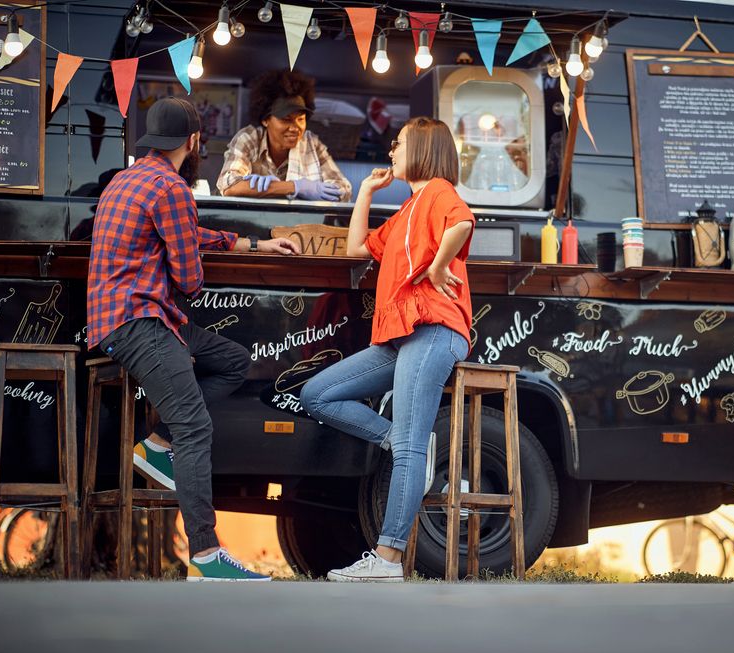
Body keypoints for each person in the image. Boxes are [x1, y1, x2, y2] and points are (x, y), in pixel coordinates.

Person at [87, 97, 300, 582]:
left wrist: (250, 243)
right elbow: (188, 280)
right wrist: (196, 258)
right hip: (138, 321)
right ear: (193, 141)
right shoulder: (172, 187)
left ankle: (156, 445)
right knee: (197, 427)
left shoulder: (128, 178)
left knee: (232, 358)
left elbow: (185, 233)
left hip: (122, 318)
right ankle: (206, 556)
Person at [299, 117, 475, 582]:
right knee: (318, 394)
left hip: (434, 329)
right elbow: (357, 248)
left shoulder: (438, 190)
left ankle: (388, 559)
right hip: (402, 336)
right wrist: (365, 194)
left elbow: (462, 221)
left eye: (397, 145)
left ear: (420, 147)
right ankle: (401, 441)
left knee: (410, 450)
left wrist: (438, 266)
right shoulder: (406, 209)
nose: (391, 152)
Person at [216, 69, 352, 202]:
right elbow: (229, 186)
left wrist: (317, 190)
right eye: (286, 119)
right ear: (265, 120)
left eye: (300, 119)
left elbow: (344, 190)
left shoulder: (312, 145)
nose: (295, 128)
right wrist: (295, 187)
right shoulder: (249, 139)